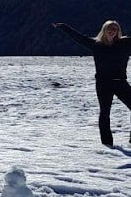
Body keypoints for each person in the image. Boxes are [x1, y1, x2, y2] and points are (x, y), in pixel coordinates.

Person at [52, 19, 131, 147]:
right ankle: (107, 144)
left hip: (120, 82)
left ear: (118, 31)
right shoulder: (96, 44)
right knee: (105, 112)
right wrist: (63, 27)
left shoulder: (126, 43)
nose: (112, 31)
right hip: (103, 84)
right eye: (109, 29)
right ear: (104, 30)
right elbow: (78, 37)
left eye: (115, 29)